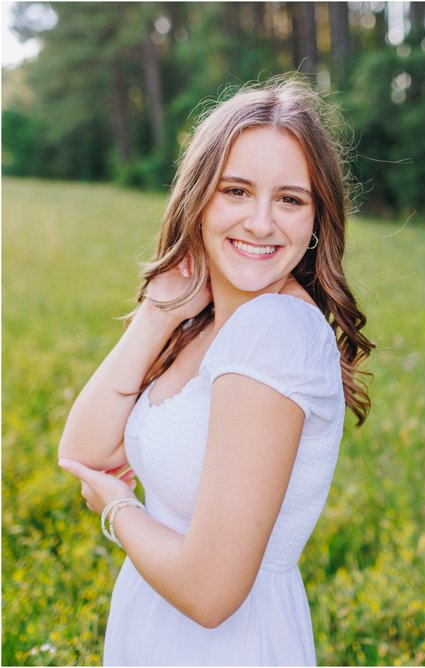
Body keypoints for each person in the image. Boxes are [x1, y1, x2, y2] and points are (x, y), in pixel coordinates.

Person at [57, 76, 373, 665]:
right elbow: (81, 452)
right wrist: (157, 315)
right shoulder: (204, 322)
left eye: (289, 198)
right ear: (198, 198)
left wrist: (117, 510)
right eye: (236, 190)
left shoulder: (273, 334)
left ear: (315, 220)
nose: (260, 222)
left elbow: (209, 593)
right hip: (158, 627)